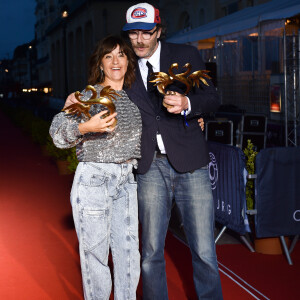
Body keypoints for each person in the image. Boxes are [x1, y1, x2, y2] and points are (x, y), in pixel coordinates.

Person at [122, 3, 223, 299]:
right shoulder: (124, 66)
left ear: (159, 31)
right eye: (133, 34)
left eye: (146, 32)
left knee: (204, 250)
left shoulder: (185, 55)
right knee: (151, 251)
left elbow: (212, 98)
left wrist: (188, 106)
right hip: (150, 166)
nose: (139, 40)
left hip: (191, 164)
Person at [49, 36, 142, 300]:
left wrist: (195, 119)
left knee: (128, 253)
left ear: (128, 61)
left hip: (127, 181)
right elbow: (56, 133)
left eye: (121, 55)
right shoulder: (89, 96)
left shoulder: (134, 99)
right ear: (100, 63)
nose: (116, 61)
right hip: (94, 181)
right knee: (95, 255)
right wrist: (84, 128)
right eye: (109, 56)